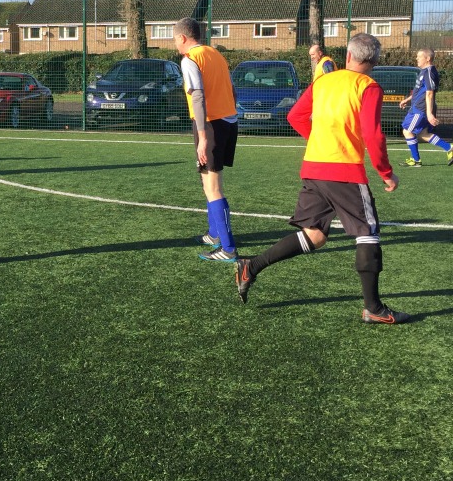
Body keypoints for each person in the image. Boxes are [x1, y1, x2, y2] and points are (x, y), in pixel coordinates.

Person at [235, 33, 409, 325]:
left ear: (348, 57)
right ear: (375, 62)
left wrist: (319, 139)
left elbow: (295, 116)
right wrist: (386, 172)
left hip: (313, 168)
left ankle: (250, 266)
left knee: (315, 236)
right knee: (368, 233)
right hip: (344, 171)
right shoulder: (369, 86)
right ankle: (374, 309)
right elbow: (373, 134)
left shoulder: (323, 81)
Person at [172, 17, 239, 262]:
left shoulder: (189, 59)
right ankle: (214, 234)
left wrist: (202, 137)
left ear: (182, 37)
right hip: (228, 121)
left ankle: (228, 249)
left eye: (174, 39)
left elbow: (198, 97)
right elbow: (233, 90)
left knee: (213, 187)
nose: (175, 44)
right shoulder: (216, 54)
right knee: (208, 181)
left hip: (210, 125)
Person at [398, 47, 453, 168]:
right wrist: (407, 100)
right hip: (418, 107)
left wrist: (429, 113)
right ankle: (449, 148)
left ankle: (416, 160)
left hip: (421, 109)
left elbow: (429, 93)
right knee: (423, 133)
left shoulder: (429, 72)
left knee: (407, 131)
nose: (416, 58)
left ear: (427, 58)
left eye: (419, 56)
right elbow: (420, 91)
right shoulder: (424, 71)